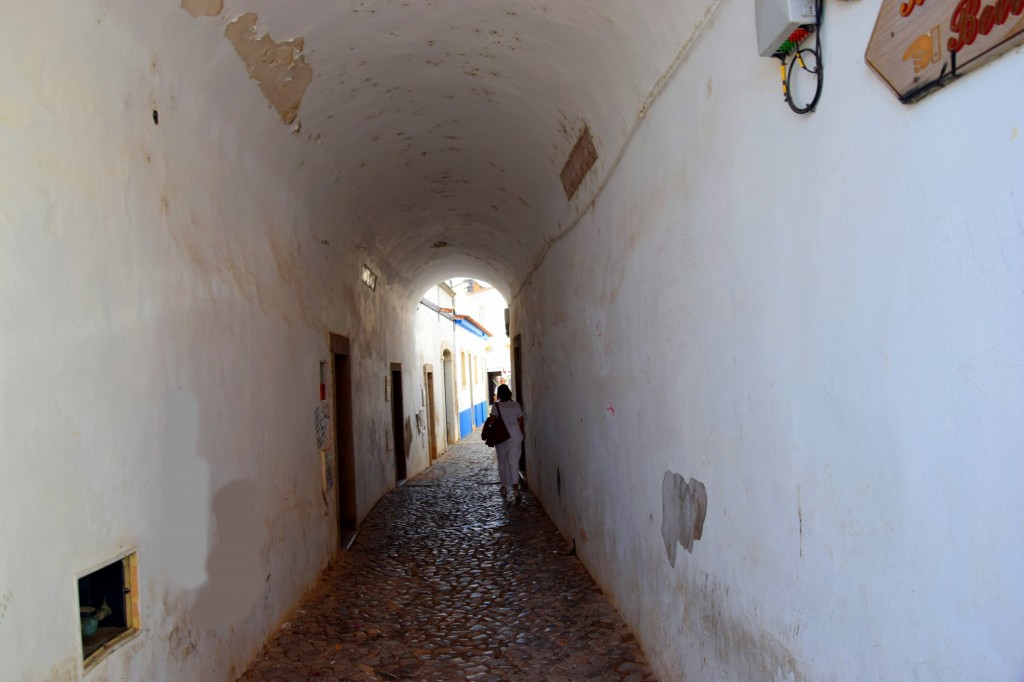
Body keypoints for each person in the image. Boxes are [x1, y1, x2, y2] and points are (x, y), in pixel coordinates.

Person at [491, 384, 524, 501]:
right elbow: (520, 421)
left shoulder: (496, 406)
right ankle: (515, 489)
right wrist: (522, 434)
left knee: (502, 461)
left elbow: (492, 421)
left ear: (499, 394)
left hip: (501, 437)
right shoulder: (516, 405)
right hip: (515, 436)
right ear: (509, 393)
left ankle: (504, 486)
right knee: (513, 462)